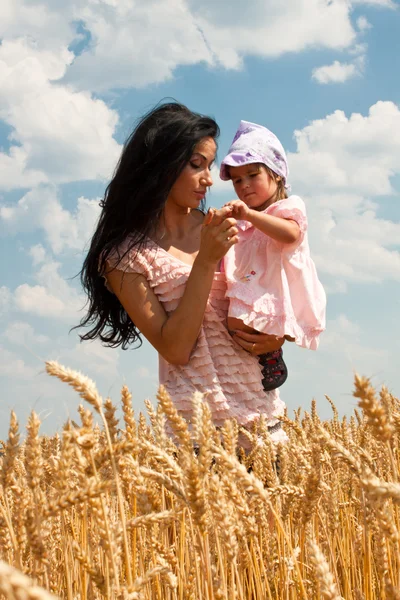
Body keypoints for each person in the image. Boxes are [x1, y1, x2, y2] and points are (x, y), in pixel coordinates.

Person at [78, 102, 287, 445]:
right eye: (196, 165)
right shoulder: (123, 257)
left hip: (263, 424)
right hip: (197, 441)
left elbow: (273, 296)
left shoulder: (224, 227)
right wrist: (205, 261)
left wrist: (278, 338)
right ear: (161, 166)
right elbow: (175, 348)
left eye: (210, 164)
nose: (209, 178)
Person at [220, 120, 326, 390]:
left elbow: (291, 234)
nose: (244, 186)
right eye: (237, 180)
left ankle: (270, 356)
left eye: (252, 175)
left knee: (259, 324)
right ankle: (251, 361)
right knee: (236, 321)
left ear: (276, 173)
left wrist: (250, 215)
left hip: (274, 286)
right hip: (252, 283)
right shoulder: (244, 221)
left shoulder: (287, 207)